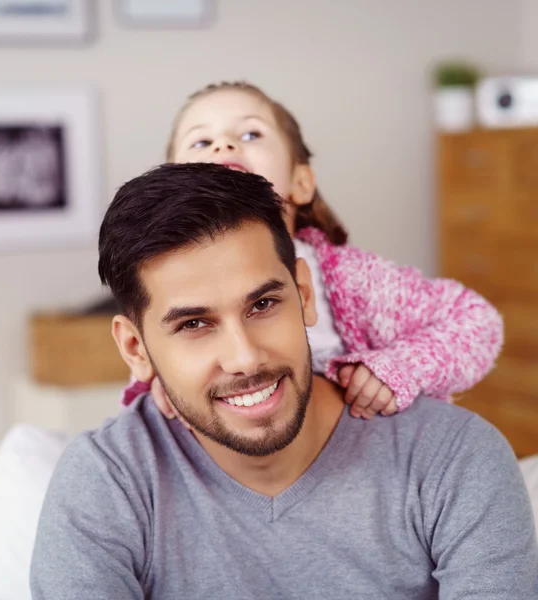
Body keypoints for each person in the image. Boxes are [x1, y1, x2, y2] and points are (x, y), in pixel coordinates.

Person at [30, 163, 538, 599]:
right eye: (194, 325)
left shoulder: (455, 458)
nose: (245, 358)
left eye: (263, 305)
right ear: (136, 349)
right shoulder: (106, 483)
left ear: (304, 293)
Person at [122, 81, 503, 422]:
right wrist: (163, 385)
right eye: (201, 142)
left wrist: (400, 366)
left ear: (301, 182)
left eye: (252, 134)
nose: (224, 145)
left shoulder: (353, 280)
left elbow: (477, 322)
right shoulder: (162, 289)